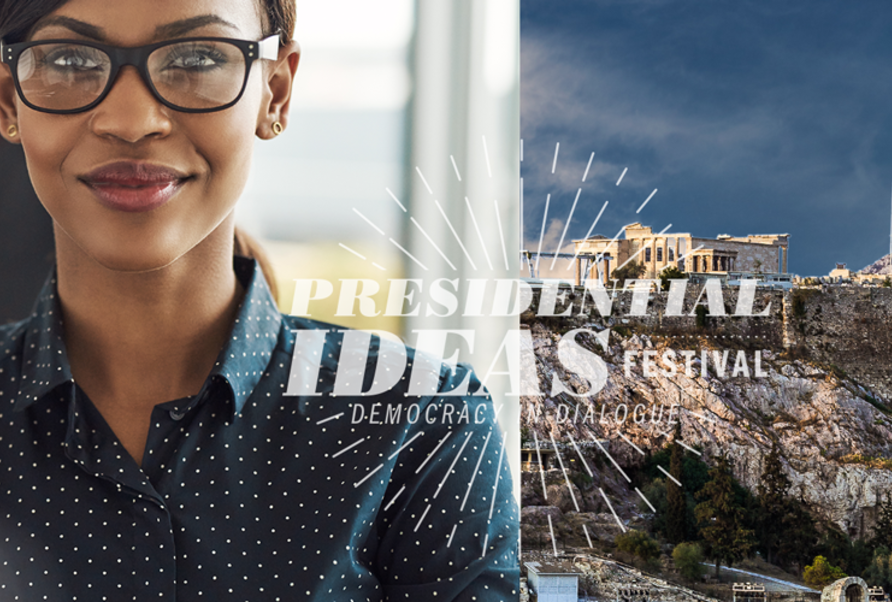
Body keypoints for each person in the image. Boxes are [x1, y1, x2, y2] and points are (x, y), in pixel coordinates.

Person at [0, 0, 519, 599]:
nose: (132, 119)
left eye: (196, 58)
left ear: (275, 92)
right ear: (10, 99)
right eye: (69, 60)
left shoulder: (423, 423)